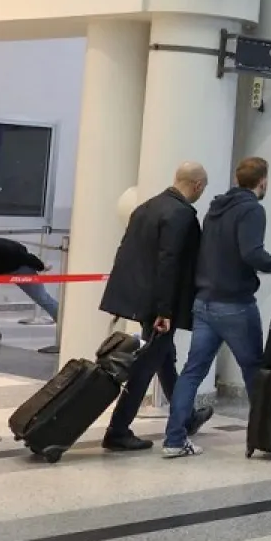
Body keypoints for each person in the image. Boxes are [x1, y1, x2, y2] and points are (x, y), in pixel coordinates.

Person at [163, 157, 271, 458]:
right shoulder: (252, 209)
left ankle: (174, 440)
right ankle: (264, 439)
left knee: (192, 372)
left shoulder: (214, 209)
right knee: (254, 371)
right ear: (262, 181)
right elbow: (252, 253)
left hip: (204, 302)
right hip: (235, 305)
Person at [99, 163, 215, 451]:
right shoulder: (182, 214)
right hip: (160, 304)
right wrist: (165, 310)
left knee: (164, 357)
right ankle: (118, 429)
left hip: (141, 298)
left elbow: (127, 251)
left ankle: (185, 416)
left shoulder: (147, 206)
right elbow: (169, 263)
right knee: (146, 366)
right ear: (198, 186)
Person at [0, 235, 57, 333]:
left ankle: (68, 326)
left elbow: (25, 257)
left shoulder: (2, 248)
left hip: (20, 266)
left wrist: (41, 266)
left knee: (42, 298)